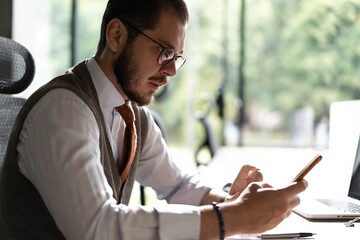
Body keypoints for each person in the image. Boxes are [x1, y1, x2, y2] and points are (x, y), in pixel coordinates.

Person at [0, 0, 308, 239]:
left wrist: (234, 203)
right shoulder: (63, 110)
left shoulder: (134, 117)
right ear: (117, 35)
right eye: (163, 51)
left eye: (177, 57)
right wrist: (233, 218)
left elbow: (177, 186)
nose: (172, 70)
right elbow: (98, 229)